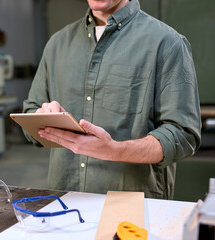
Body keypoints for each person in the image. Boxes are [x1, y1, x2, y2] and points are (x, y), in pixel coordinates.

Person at [22, 0, 201, 199]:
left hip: (132, 204)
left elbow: (183, 134)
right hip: (64, 199)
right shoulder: (57, 44)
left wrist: (115, 151)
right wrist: (42, 117)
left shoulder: (167, 43)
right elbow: (30, 113)